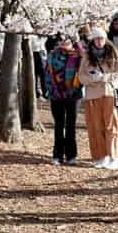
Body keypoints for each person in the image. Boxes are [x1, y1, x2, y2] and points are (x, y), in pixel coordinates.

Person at [81, 25, 118, 168]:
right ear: (92, 40)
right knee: (95, 126)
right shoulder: (87, 56)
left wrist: (104, 77)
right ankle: (101, 156)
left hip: (108, 92)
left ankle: (114, 156)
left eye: (101, 38)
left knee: (111, 125)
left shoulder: (113, 53)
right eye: (96, 39)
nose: (99, 41)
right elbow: (81, 77)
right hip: (92, 95)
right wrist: (93, 79)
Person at [42, 33, 84, 164]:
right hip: (56, 95)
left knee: (71, 125)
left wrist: (74, 90)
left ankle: (71, 155)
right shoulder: (53, 55)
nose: (64, 43)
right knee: (59, 125)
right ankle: (57, 155)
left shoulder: (78, 56)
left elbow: (83, 73)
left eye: (67, 41)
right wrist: (52, 90)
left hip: (74, 95)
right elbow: (48, 75)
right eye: (61, 41)